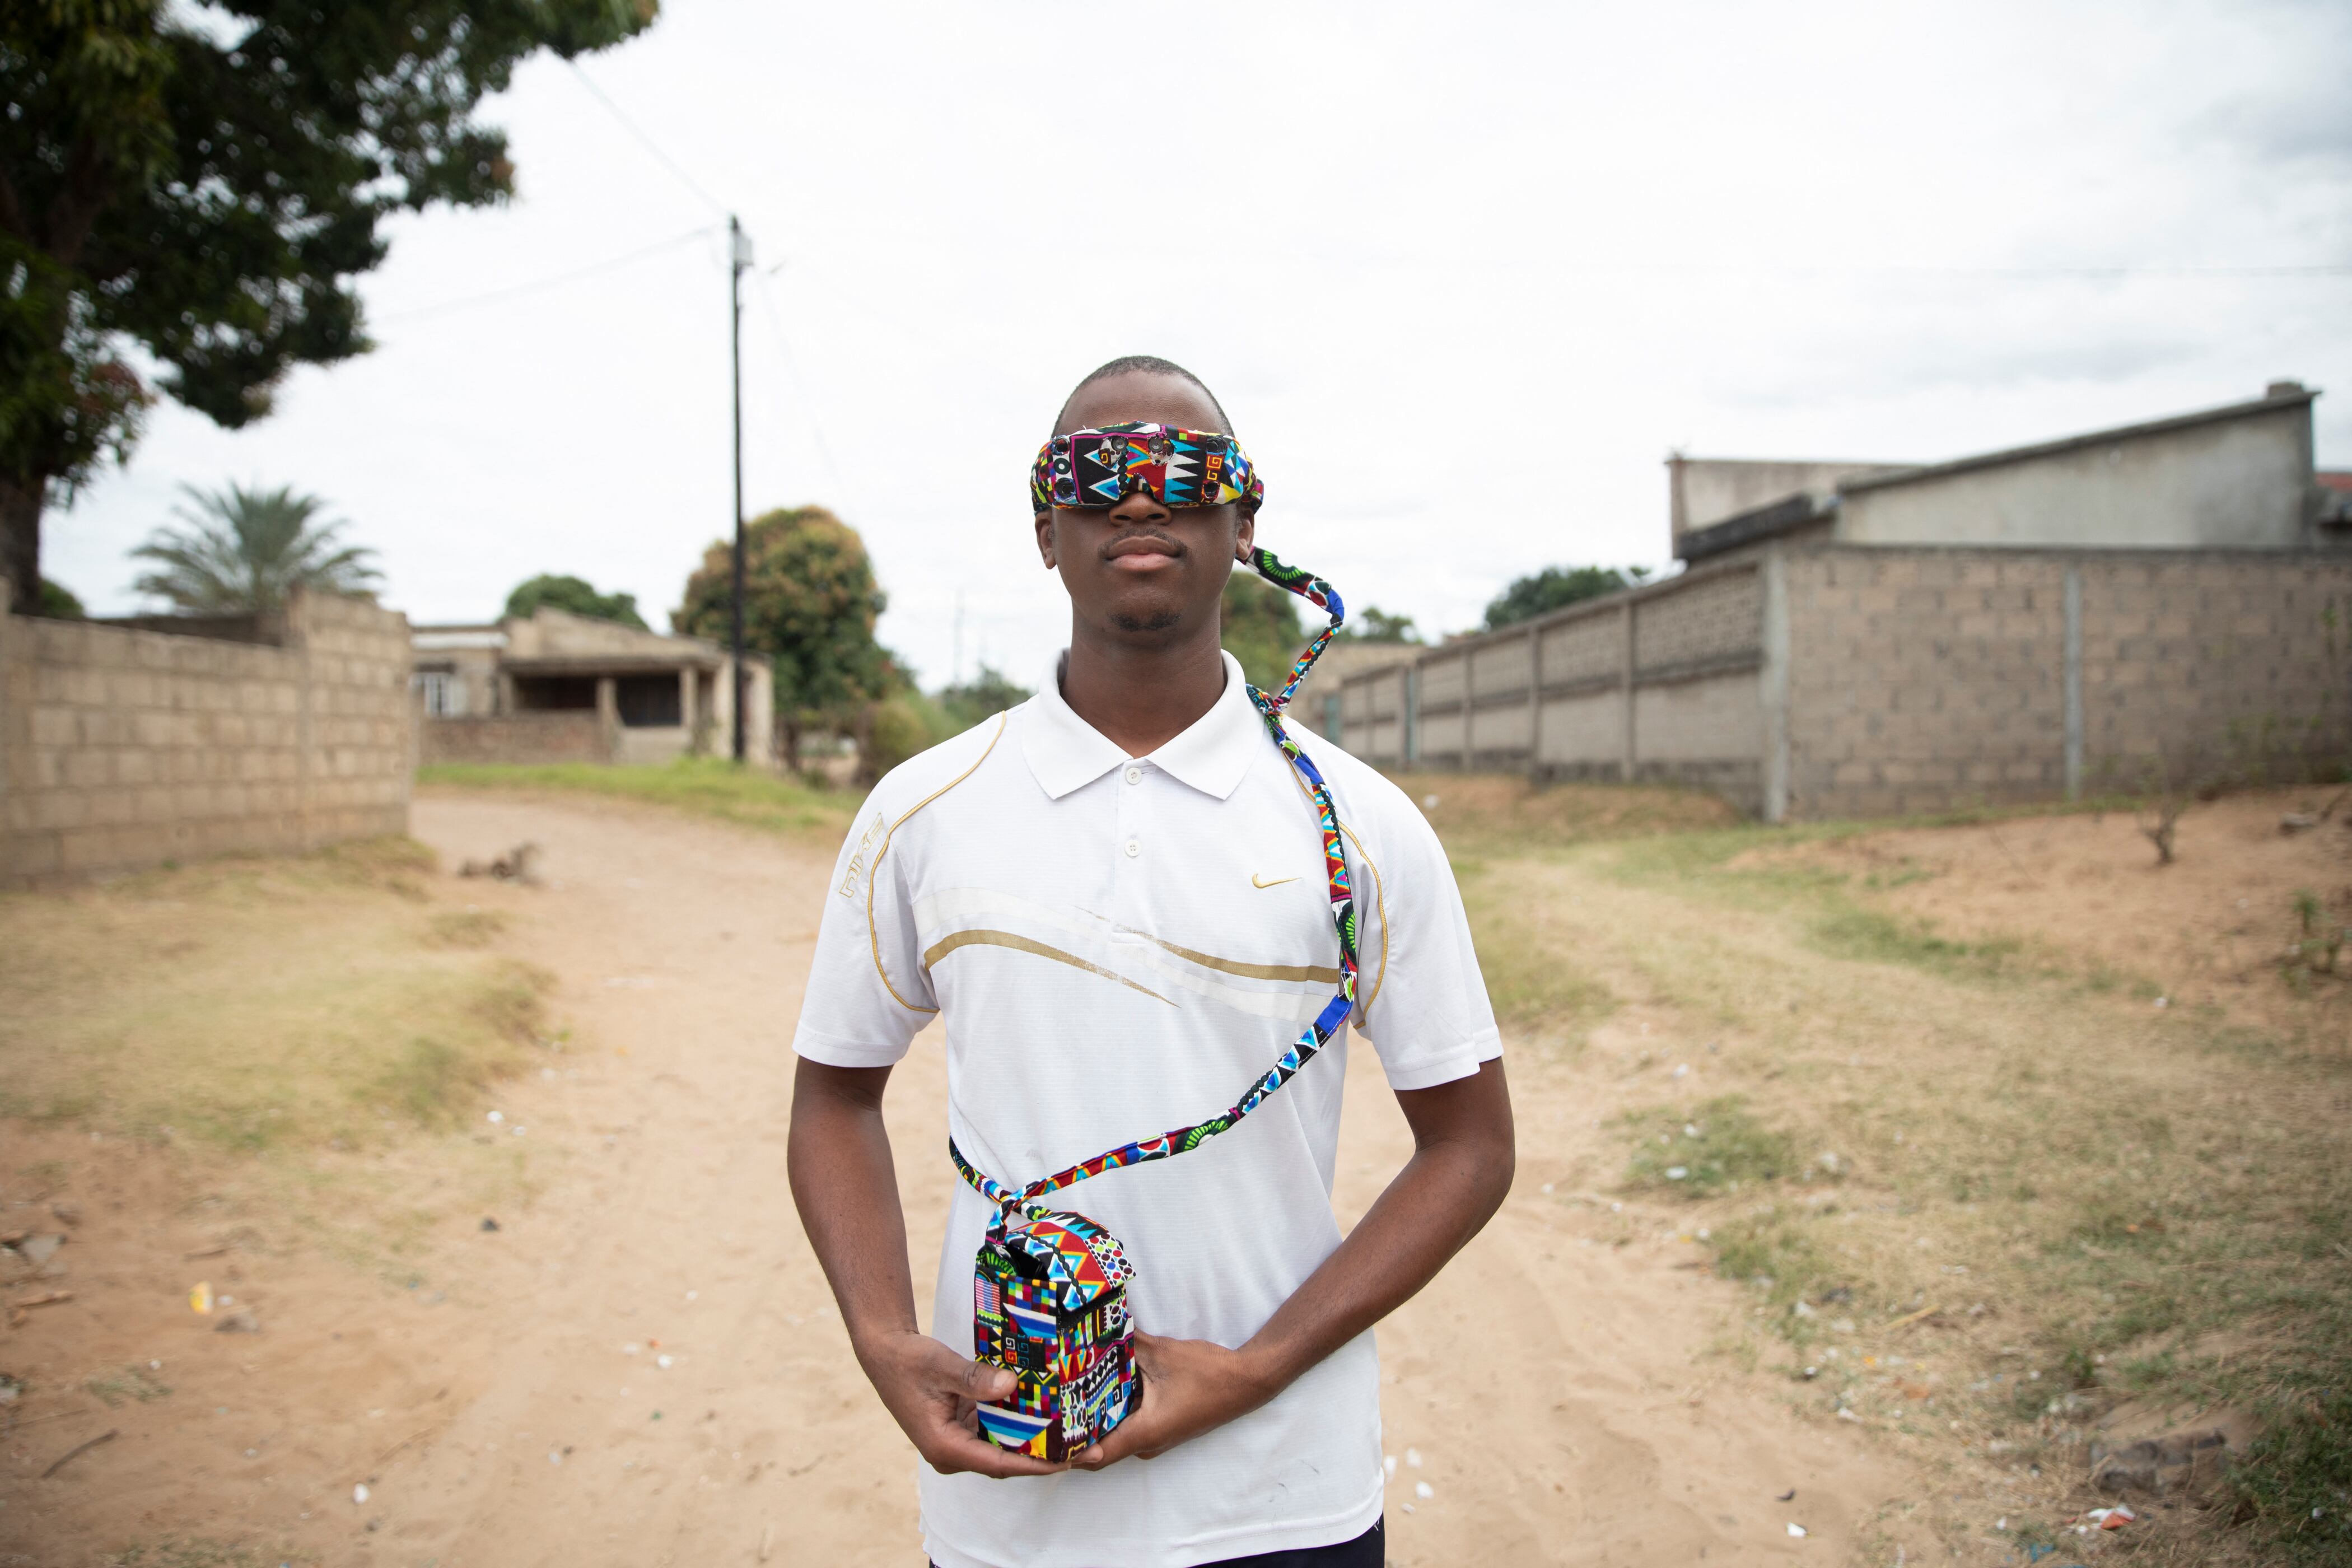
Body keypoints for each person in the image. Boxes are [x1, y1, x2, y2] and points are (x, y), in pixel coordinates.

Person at [788, 356, 1515, 1568]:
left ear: (1243, 523)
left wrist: (1256, 1369)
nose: (1138, 500)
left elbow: (1474, 1143)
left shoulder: (1364, 824)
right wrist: (876, 1327)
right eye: (1095, 474)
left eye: (1182, 473)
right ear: (1044, 528)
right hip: (1010, 1493)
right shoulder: (926, 808)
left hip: (1286, 1493)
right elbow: (833, 1092)